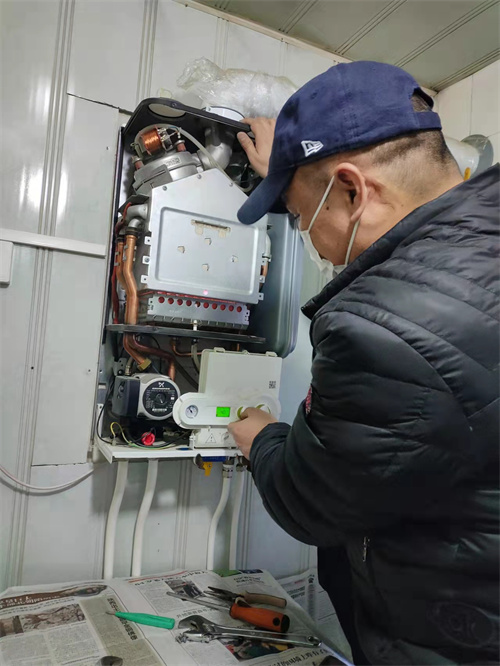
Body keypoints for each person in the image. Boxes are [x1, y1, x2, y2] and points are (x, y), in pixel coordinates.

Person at [228, 61, 499, 665]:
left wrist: (260, 436)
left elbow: (312, 503)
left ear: (352, 191)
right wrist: (291, 171)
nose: (308, 235)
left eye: (301, 215)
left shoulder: (382, 325)